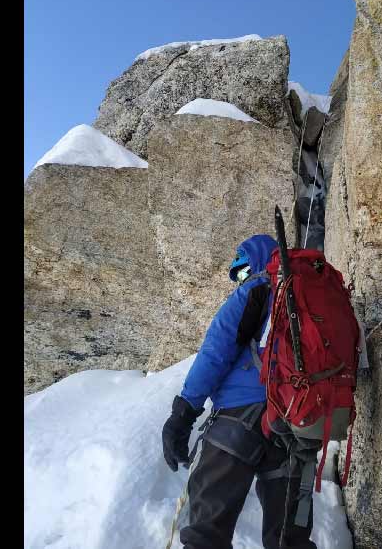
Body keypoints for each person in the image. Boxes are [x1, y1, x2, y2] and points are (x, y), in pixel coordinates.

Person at [161, 234, 317, 549]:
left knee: (206, 534)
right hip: (296, 427)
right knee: (291, 541)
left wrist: (183, 414)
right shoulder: (314, 297)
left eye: (244, 270)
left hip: (239, 420)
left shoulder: (255, 289)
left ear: (260, 262)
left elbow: (215, 352)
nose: (240, 280)